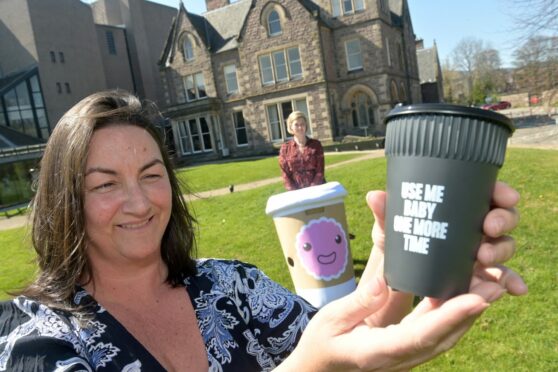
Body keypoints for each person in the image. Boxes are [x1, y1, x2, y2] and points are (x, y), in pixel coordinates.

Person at [0, 90, 527, 371]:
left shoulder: (232, 288)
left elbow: (348, 350)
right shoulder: (34, 338)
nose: (139, 202)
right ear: (65, 202)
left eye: (152, 174)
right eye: (105, 184)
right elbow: (319, 363)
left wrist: (397, 278)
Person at [279, 111, 325, 190]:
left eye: (302, 124)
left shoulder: (316, 145)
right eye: (296, 124)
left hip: (318, 190)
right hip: (296, 193)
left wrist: (312, 189)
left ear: (306, 125)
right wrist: (294, 191)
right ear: (291, 127)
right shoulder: (285, 148)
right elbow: (285, 174)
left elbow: (320, 170)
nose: (300, 127)